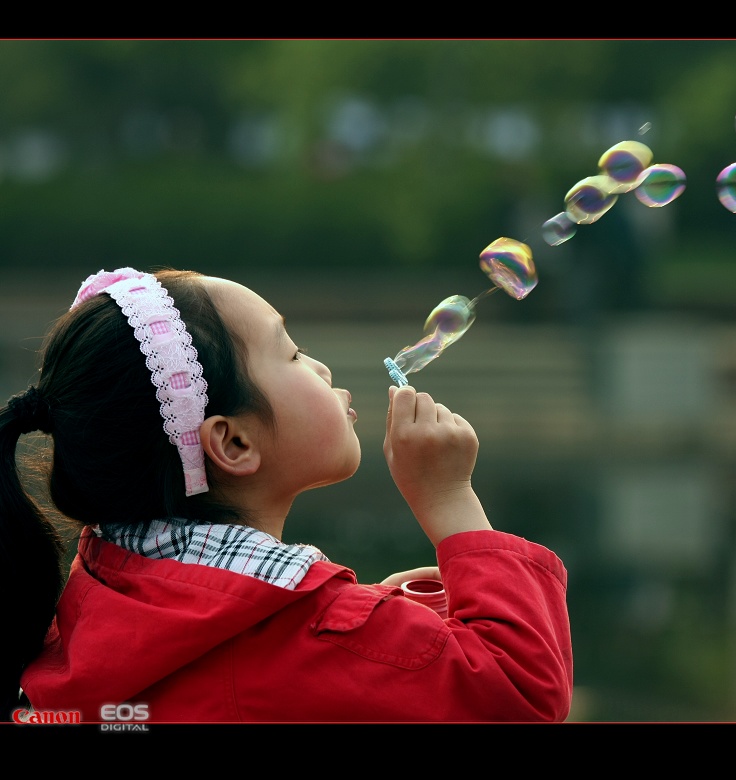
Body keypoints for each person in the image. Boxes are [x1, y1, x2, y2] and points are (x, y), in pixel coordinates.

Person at [2, 266, 572, 723]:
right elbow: (519, 692)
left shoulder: (106, 596)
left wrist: (375, 611)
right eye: (293, 354)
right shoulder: (316, 638)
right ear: (233, 441)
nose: (322, 368)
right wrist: (451, 501)